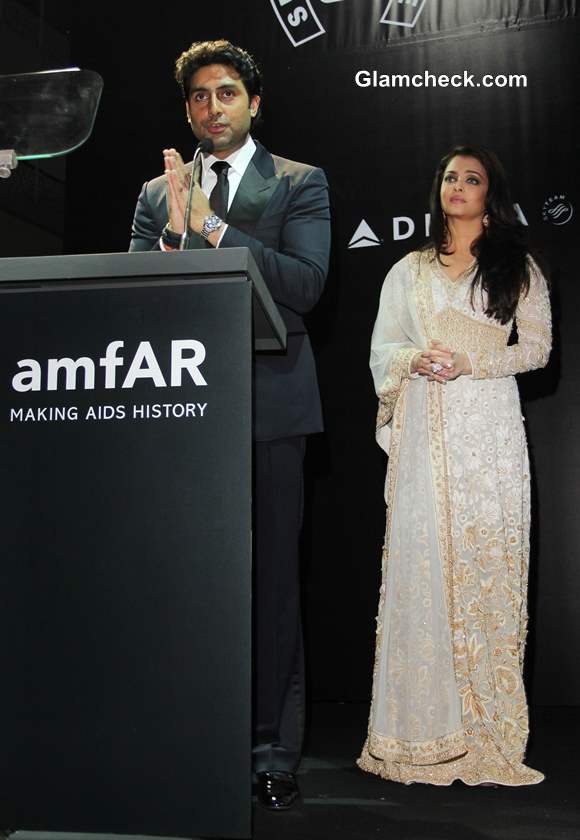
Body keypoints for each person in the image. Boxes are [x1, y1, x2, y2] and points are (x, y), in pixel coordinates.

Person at [129, 40, 331, 808]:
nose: (211, 107)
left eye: (226, 93)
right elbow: (138, 296)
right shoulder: (157, 193)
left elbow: (307, 286)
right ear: (187, 110)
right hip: (180, 412)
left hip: (273, 408)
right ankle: (191, 737)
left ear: (253, 102)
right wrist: (176, 230)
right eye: (199, 97)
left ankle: (271, 753)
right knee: (186, 582)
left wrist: (214, 229)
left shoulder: (300, 183)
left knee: (274, 585)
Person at [357, 145, 551, 786]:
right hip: (423, 430)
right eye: (449, 177)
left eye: (471, 179)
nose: (457, 186)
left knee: (485, 564)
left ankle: (486, 730)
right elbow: (384, 349)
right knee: (423, 565)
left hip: (490, 431)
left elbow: (540, 350)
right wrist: (413, 361)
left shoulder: (516, 267)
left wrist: (475, 363)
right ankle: (417, 732)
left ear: (489, 194)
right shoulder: (405, 271)